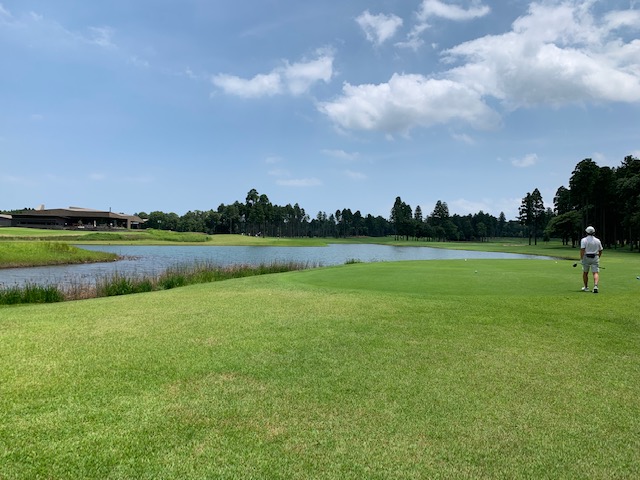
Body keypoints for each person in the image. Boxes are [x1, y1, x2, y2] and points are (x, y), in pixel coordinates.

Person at [580, 226, 603, 293]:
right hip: (595, 257)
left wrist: (581, 259)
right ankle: (595, 286)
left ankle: (586, 287)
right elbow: (600, 250)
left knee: (585, 272)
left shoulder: (584, 240)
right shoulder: (597, 240)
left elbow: (582, 250)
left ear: (586, 232)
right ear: (594, 232)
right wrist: (598, 257)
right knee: (595, 272)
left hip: (586, 257)